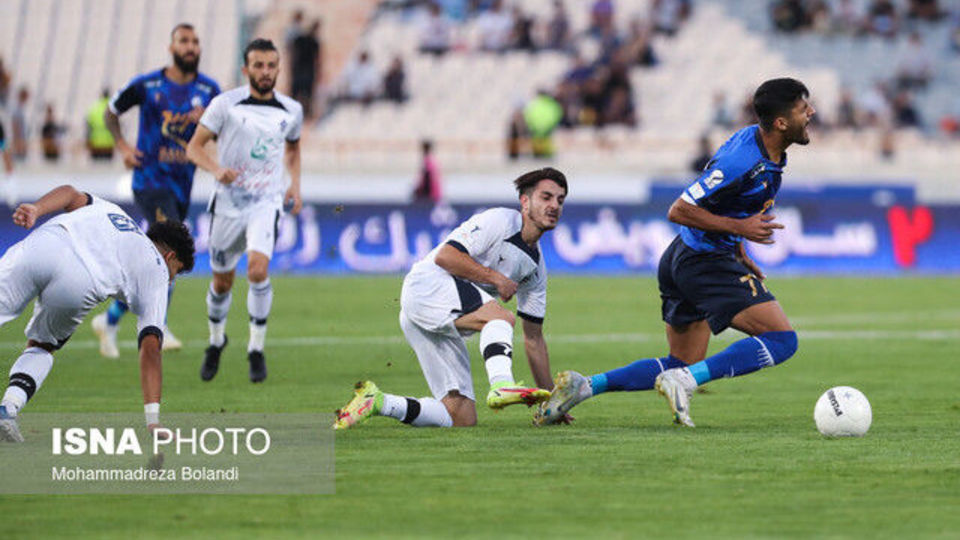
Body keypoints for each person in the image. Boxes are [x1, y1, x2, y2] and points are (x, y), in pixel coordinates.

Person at [535, 78, 813, 428]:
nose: (812, 113)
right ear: (781, 122)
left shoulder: (764, 149)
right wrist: (739, 230)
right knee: (782, 340)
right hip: (703, 262)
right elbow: (678, 209)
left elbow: (728, 204)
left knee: (680, 362)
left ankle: (584, 386)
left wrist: (739, 248)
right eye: (804, 109)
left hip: (686, 256)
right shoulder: (741, 161)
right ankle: (686, 382)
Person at [333, 168, 569, 429]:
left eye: (560, 200)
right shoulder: (499, 221)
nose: (554, 205)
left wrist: (552, 402)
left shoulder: (536, 270)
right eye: (546, 197)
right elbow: (445, 256)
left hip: (433, 316)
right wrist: (496, 279)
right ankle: (502, 384)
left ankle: (377, 402)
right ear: (525, 202)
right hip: (426, 285)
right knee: (501, 318)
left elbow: (534, 338)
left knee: (460, 417)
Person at [0, 185, 195, 442]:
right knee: (42, 346)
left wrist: (37, 208)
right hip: (78, 284)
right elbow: (150, 348)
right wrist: (153, 420)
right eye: (176, 271)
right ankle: (7, 410)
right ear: (170, 256)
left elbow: (70, 194)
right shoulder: (157, 270)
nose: (171, 281)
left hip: (45, 244)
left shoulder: (113, 211)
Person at [91, 23, 220, 359]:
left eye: (195, 41)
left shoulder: (209, 90)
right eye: (184, 41)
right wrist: (122, 145)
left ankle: (111, 319)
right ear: (171, 47)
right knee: (172, 247)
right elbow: (111, 111)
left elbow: (220, 131)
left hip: (181, 184)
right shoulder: (148, 85)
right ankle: (156, 323)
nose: (191, 47)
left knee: (154, 257)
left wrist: (210, 124)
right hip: (150, 180)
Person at [186, 38, 303, 384]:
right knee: (222, 281)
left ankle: (255, 348)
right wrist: (216, 169)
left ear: (279, 68)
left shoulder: (291, 109)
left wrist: (294, 184)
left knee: (257, 269)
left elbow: (294, 150)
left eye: (271, 65)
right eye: (258, 65)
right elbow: (194, 147)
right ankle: (216, 340)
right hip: (228, 203)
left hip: (266, 202)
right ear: (246, 69)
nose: (265, 72)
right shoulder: (225, 104)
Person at [291, 19, 322, 118]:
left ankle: (305, 112)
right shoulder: (302, 40)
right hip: (303, 70)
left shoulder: (302, 40)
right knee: (301, 93)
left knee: (305, 93)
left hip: (304, 70)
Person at [86, 88, 115, 160]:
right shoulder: (113, 108)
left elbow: (88, 128)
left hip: (96, 145)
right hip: (109, 145)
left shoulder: (94, 109)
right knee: (108, 170)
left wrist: (88, 142)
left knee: (96, 170)